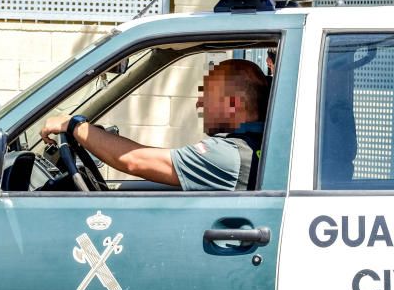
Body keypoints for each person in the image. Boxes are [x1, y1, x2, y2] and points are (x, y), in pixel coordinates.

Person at [41, 59, 269, 191]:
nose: (200, 101)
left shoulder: (228, 155)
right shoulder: (251, 147)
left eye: (207, 94)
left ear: (232, 104)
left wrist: (73, 126)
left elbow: (134, 161)